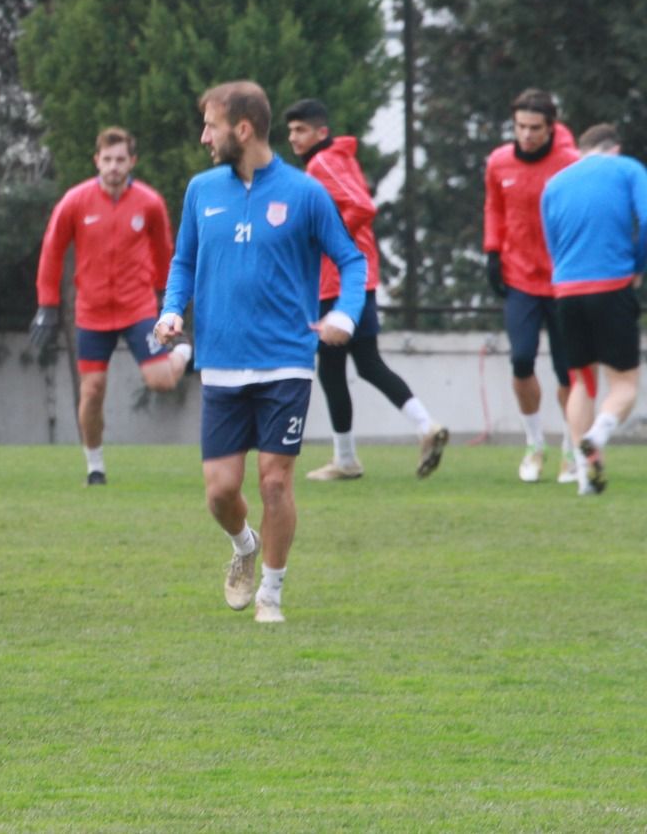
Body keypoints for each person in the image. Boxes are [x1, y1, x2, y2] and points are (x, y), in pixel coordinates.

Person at [156, 81, 366, 624]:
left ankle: (271, 592)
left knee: (275, 481)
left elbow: (352, 260)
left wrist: (344, 315)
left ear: (242, 130)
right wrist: (172, 309)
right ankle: (244, 546)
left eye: (211, 125)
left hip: (286, 361)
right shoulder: (201, 191)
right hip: (221, 362)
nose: (204, 136)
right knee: (221, 492)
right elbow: (183, 263)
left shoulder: (304, 194)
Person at [284, 99, 449, 480]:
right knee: (367, 364)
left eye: (301, 130)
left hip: (338, 282)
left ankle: (346, 459)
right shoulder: (336, 159)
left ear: (320, 132)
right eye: (290, 131)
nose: (293, 137)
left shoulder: (322, 163)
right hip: (358, 278)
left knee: (331, 370)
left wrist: (326, 240)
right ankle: (425, 426)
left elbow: (362, 206)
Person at [30, 127, 191, 485]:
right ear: (97, 161)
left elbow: (165, 253)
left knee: (161, 381)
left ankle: (183, 353)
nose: (114, 166)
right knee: (93, 389)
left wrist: (169, 301)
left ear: (131, 162)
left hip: (137, 308)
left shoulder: (149, 203)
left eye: (121, 160)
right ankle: (95, 466)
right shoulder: (75, 201)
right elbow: (52, 252)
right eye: (108, 159)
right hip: (92, 311)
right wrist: (48, 305)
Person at [539, 124, 647, 495]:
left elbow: (551, 244)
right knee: (624, 384)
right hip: (612, 285)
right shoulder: (629, 169)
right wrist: (637, 265)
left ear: (581, 151)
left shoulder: (554, 183)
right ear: (613, 148)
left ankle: (585, 477)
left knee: (580, 381)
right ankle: (598, 435)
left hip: (566, 291)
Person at [484, 89, 580, 483]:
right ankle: (534, 444)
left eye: (535, 127)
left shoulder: (571, 164)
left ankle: (572, 449)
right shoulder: (498, 161)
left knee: (567, 370)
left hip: (563, 279)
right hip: (519, 276)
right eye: (520, 126)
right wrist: (491, 251)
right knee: (521, 359)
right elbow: (494, 207)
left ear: (551, 126)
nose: (526, 134)